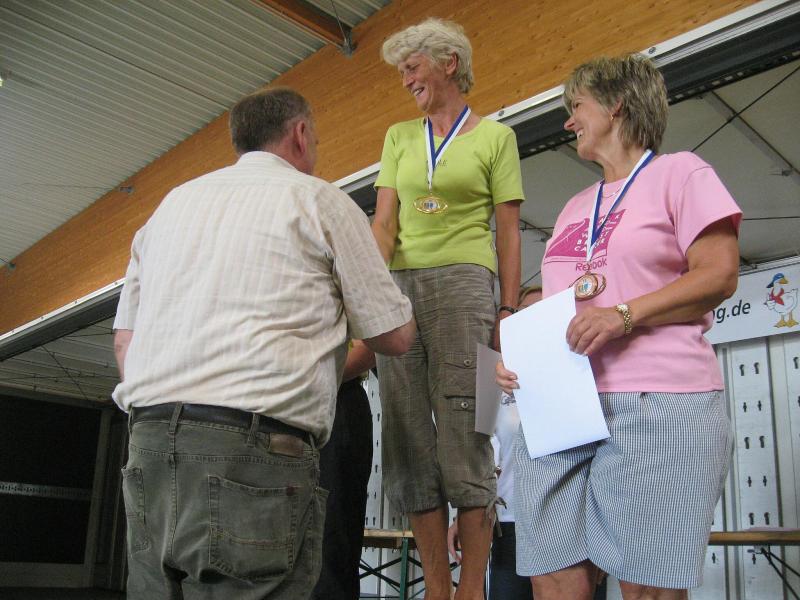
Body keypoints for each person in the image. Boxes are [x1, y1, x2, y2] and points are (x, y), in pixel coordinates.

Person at [111, 87, 416, 600]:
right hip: (252, 451)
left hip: (149, 442)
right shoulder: (319, 200)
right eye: (316, 139)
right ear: (300, 134)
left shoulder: (169, 207)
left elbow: (125, 341)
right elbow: (394, 335)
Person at [497, 54, 741, 600]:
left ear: (616, 106)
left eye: (576, 106)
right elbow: (561, 307)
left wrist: (623, 315)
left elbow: (719, 274)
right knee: (551, 576)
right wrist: (522, 360)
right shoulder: (574, 207)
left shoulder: (681, 173)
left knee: (645, 586)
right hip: (562, 408)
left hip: (656, 399)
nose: (568, 121)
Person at [372, 17, 524, 600]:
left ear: (449, 63)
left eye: (412, 66)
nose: (405, 79)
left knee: (469, 428)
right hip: (399, 289)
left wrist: (506, 310)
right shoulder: (398, 136)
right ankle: (438, 587)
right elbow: (385, 224)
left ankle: (471, 590)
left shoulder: (497, 138)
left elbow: (507, 233)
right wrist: (369, 294)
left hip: (467, 283)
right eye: (401, 71)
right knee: (407, 435)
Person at [312, 341, 376, 600]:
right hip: (272, 407)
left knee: (330, 550)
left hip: (336, 399)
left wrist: (304, 378)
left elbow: (371, 347)